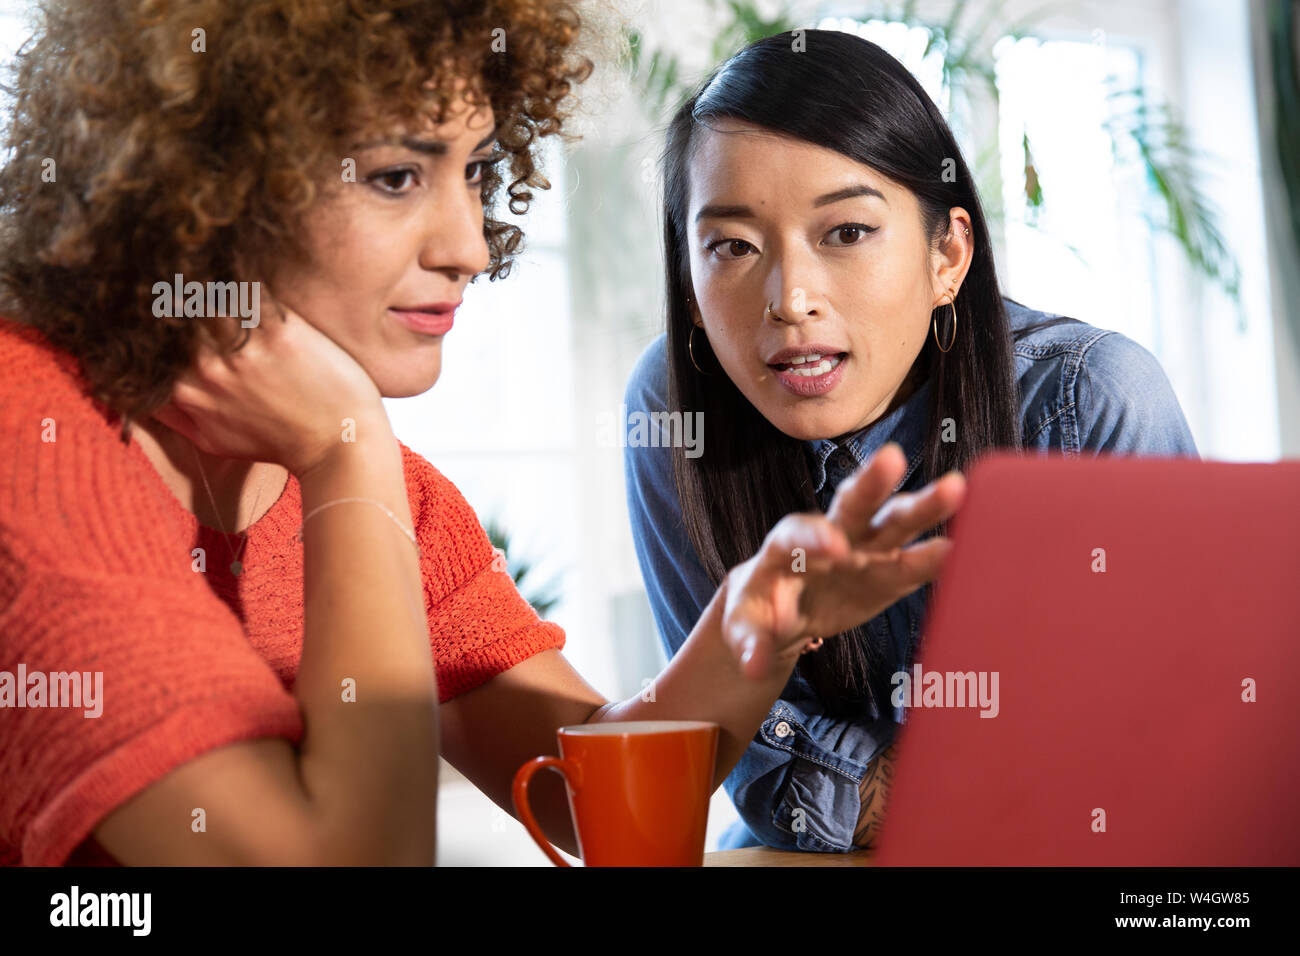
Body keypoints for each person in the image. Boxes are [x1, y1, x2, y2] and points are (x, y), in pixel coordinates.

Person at [0, 2, 964, 866]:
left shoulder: (389, 500)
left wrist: (757, 628)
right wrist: (348, 452)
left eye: (477, 171)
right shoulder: (30, 440)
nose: (469, 246)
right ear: (195, 178)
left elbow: (596, 811)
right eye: (394, 176)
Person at [623, 28, 1200, 853]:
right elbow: (739, 757)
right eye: (734, 246)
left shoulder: (1090, 401)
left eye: (846, 233)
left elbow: (1153, 776)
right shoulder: (674, 406)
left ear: (948, 254)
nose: (790, 299)